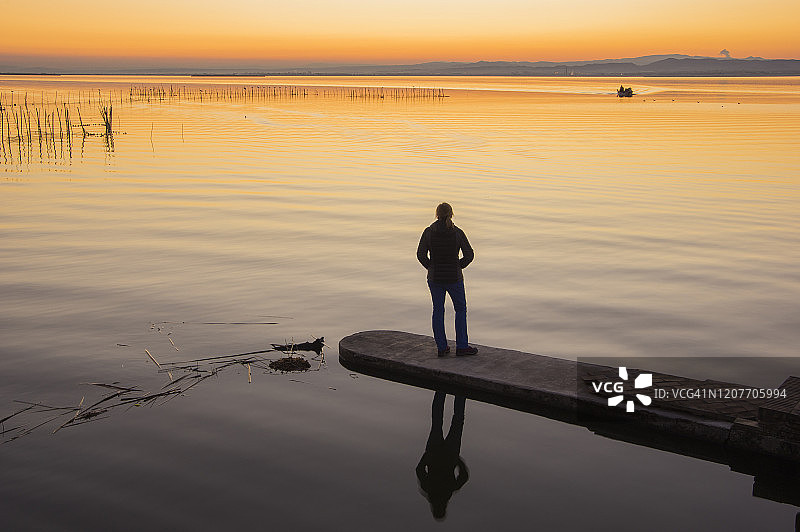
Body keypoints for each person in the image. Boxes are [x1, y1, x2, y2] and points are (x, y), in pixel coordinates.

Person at [416, 203, 478, 356]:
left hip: (435, 278)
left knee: (438, 310)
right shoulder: (457, 233)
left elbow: (420, 254)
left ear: (436, 214)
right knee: (460, 310)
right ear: (451, 214)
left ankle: (442, 347)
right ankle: (462, 346)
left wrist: (430, 267)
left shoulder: (429, 232)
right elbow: (469, 254)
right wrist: (458, 266)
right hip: (454, 278)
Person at [416, 391, 469, 521]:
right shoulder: (428, 489)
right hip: (436, 452)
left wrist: (457, 460)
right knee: (438, 420)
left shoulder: (445, 491)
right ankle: (442, 391)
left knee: (457, 420)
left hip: (448, 453)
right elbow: (419, 469)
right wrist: (428, 455)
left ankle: (459, 393)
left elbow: (463, 476)